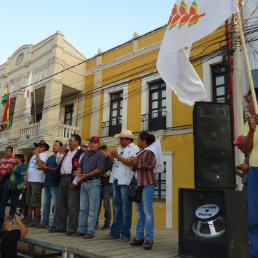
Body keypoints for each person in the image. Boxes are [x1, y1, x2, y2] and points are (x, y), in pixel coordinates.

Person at [105, 129, 139, 241]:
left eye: (122, 139)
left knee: (125, 208)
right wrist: (111, 156)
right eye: (120, 138)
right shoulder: (119, 148)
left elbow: (131, 163)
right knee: (116, 208)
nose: (120, 141)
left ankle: (125, 234)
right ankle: (114, 232)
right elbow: (114, 163)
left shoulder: (134, 149)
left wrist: (117, 156)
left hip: (127, 181)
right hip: (117, 179)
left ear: (128, 139)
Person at [72, 136, 106, 239]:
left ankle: (90, 231)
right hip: (84, 182)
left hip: (94, 183)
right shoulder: (85, 154)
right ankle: (81, 229)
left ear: (98, 144)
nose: (92, 144)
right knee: (82, 208)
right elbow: (80, 167)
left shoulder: (101, 155)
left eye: (95, 143)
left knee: (92, 208)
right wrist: (77, 172)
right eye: (91, 142)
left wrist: (86, 175)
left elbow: (100, 170)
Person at [239, 88, 258, 258]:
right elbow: (245, 149)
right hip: (254, 173)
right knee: (253, 217)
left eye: (250, 101)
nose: (247, 104)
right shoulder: (249, 122)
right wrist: (252, 130)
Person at [130, 131, 157, 250]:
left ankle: (149, 238)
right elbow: (133, 169)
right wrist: (133, 163)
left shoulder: (151, 152)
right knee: (140, 211)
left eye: (139, 139)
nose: (137, 141)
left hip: (148, 184)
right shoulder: (139, 153)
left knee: (147, 211)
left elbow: (151, 165)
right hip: (139, 184)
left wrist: (137, 162)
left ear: (144, 141)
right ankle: (139, 236)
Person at [54, 134, 84, 235]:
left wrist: (75, 181)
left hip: (72, 179)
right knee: (60, 204)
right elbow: (59, 163)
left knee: (72, 206)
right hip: (62, 178)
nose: (70, 142)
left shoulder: (81, 153)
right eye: (69, 140)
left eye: (72, 140)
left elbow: (81, 169)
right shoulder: (66, 153)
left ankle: (72, 228)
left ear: (77, 142)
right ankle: (60, 226)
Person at [37, 140, 62, 230]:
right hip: (47, 182)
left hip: (55, 183)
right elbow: (45, 169)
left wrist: (46, 167)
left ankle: (55, 224)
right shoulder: (50, 158)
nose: (54, 146)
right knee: (46, 203)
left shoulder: (60, 157)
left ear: (60, 147)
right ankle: (45, 223)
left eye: (56, 145)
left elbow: (58, 169)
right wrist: (43, 168)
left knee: (55, 204)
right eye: (53, 145)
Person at [24, 140, 49, 227]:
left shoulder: (45, 155)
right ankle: (29, 217)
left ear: (44, 147)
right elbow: (29, 167)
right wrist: (26, 179)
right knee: (29, 200)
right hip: (30, 180)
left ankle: (36, 218)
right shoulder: (33, 156)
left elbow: (40, 163)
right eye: (37, 146)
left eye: (40, 146)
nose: (38, 147)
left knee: (36, 200)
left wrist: (37, 154)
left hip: (38, 180)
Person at [0, 154, 26, 220]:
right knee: (4, 199)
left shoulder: (23, 166)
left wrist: (13, 170)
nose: (15, 159)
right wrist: (9, 170)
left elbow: (20, 173)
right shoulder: (14, 165)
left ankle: (11, 214)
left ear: (21, 159)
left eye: (17, 158)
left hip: (17, 186)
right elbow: (9, 173)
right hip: (9, 184)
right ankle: (1, 214)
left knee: (14, 201)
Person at [96, 144, 113, 230]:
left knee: (106, 205)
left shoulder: (110, 159)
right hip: (99, 184)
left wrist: (108, 173)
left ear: (105, 151)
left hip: (107, 184)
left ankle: (107, 223)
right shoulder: (100, 160)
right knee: (97, 205)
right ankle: (95, 223)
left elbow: (113, 170)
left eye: (101, 152)